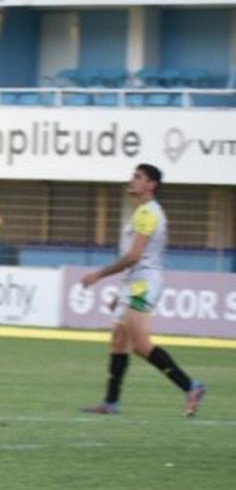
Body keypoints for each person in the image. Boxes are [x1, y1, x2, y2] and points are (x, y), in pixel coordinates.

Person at [80, 163, 205, 416]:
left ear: (151, 185)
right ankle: (111, 402)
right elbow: (136, 259)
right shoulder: (142, 213)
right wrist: (120, 293)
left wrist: (98, 275)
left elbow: (134, 256)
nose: (132, 180)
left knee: (140, 345)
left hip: (143, 284)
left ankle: (190, 386)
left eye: (138, 177)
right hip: (134, 283)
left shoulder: (147, 214)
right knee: (118, 340)